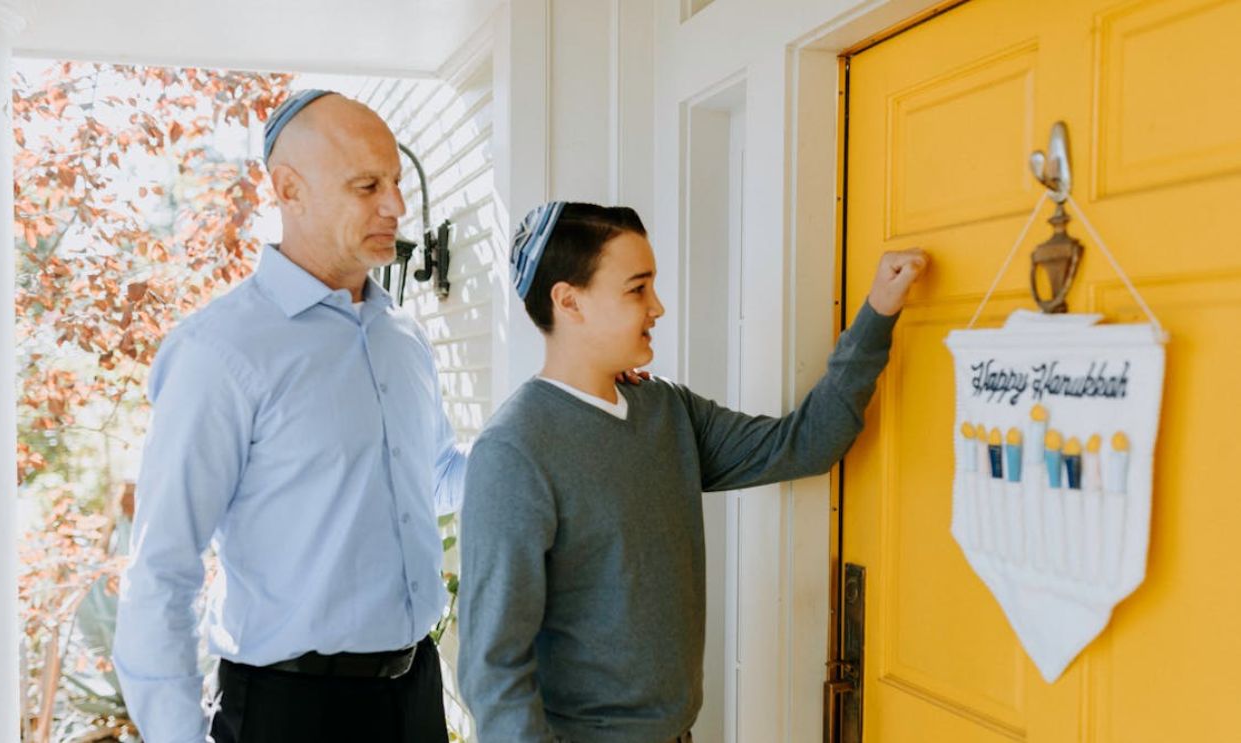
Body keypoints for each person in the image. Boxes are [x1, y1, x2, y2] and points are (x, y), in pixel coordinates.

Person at [458, 202, 927, 743]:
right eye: (637, 289)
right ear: (569, 301)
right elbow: (493, 669)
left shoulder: (665, 410)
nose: (657, 306)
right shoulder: (514, 451)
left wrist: (877, 313)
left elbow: (805, 444)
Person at [113, 90, 466, 743]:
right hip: (291, 711)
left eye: (393, 181)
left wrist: (550, 445)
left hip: (415, 698)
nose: (395, 205)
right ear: (288, 189)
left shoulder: (403, 338)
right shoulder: (218, 351)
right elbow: (163, 566)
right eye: (367, 185)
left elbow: (438, 471)